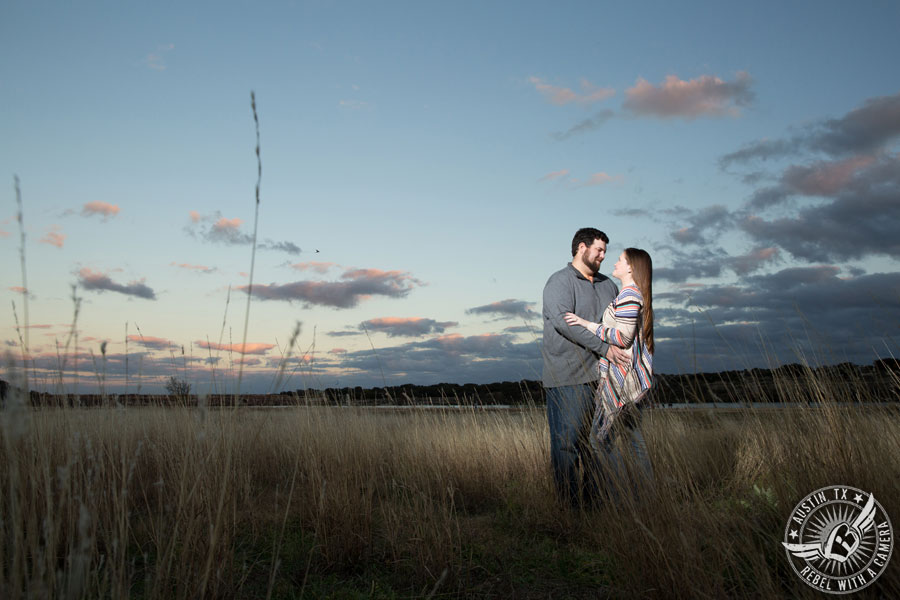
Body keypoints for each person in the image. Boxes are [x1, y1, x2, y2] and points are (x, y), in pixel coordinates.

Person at [542, 228, 630, 508]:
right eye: (599, 250)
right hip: (568, 378)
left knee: (597, 447)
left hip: (605, 379)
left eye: (605, 251)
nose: (603, 256)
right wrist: (605, 348)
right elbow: (564, 323)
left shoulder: (608, 285)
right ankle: (569, 511)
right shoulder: (560, 282)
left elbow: (618, 325)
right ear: (582, 248)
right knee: (566, 447)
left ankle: (594, 509)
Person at [564, 247, 655, 501]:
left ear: (630, 268)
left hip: (621, 381)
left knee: (598, 440)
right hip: (632, 382)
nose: (614, 262)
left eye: (620, 260)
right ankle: (646, 497)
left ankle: (621, 495)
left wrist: (586, 324)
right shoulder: (636, 295)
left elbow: (622, 337)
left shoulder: (628, 295)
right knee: (635, 441)